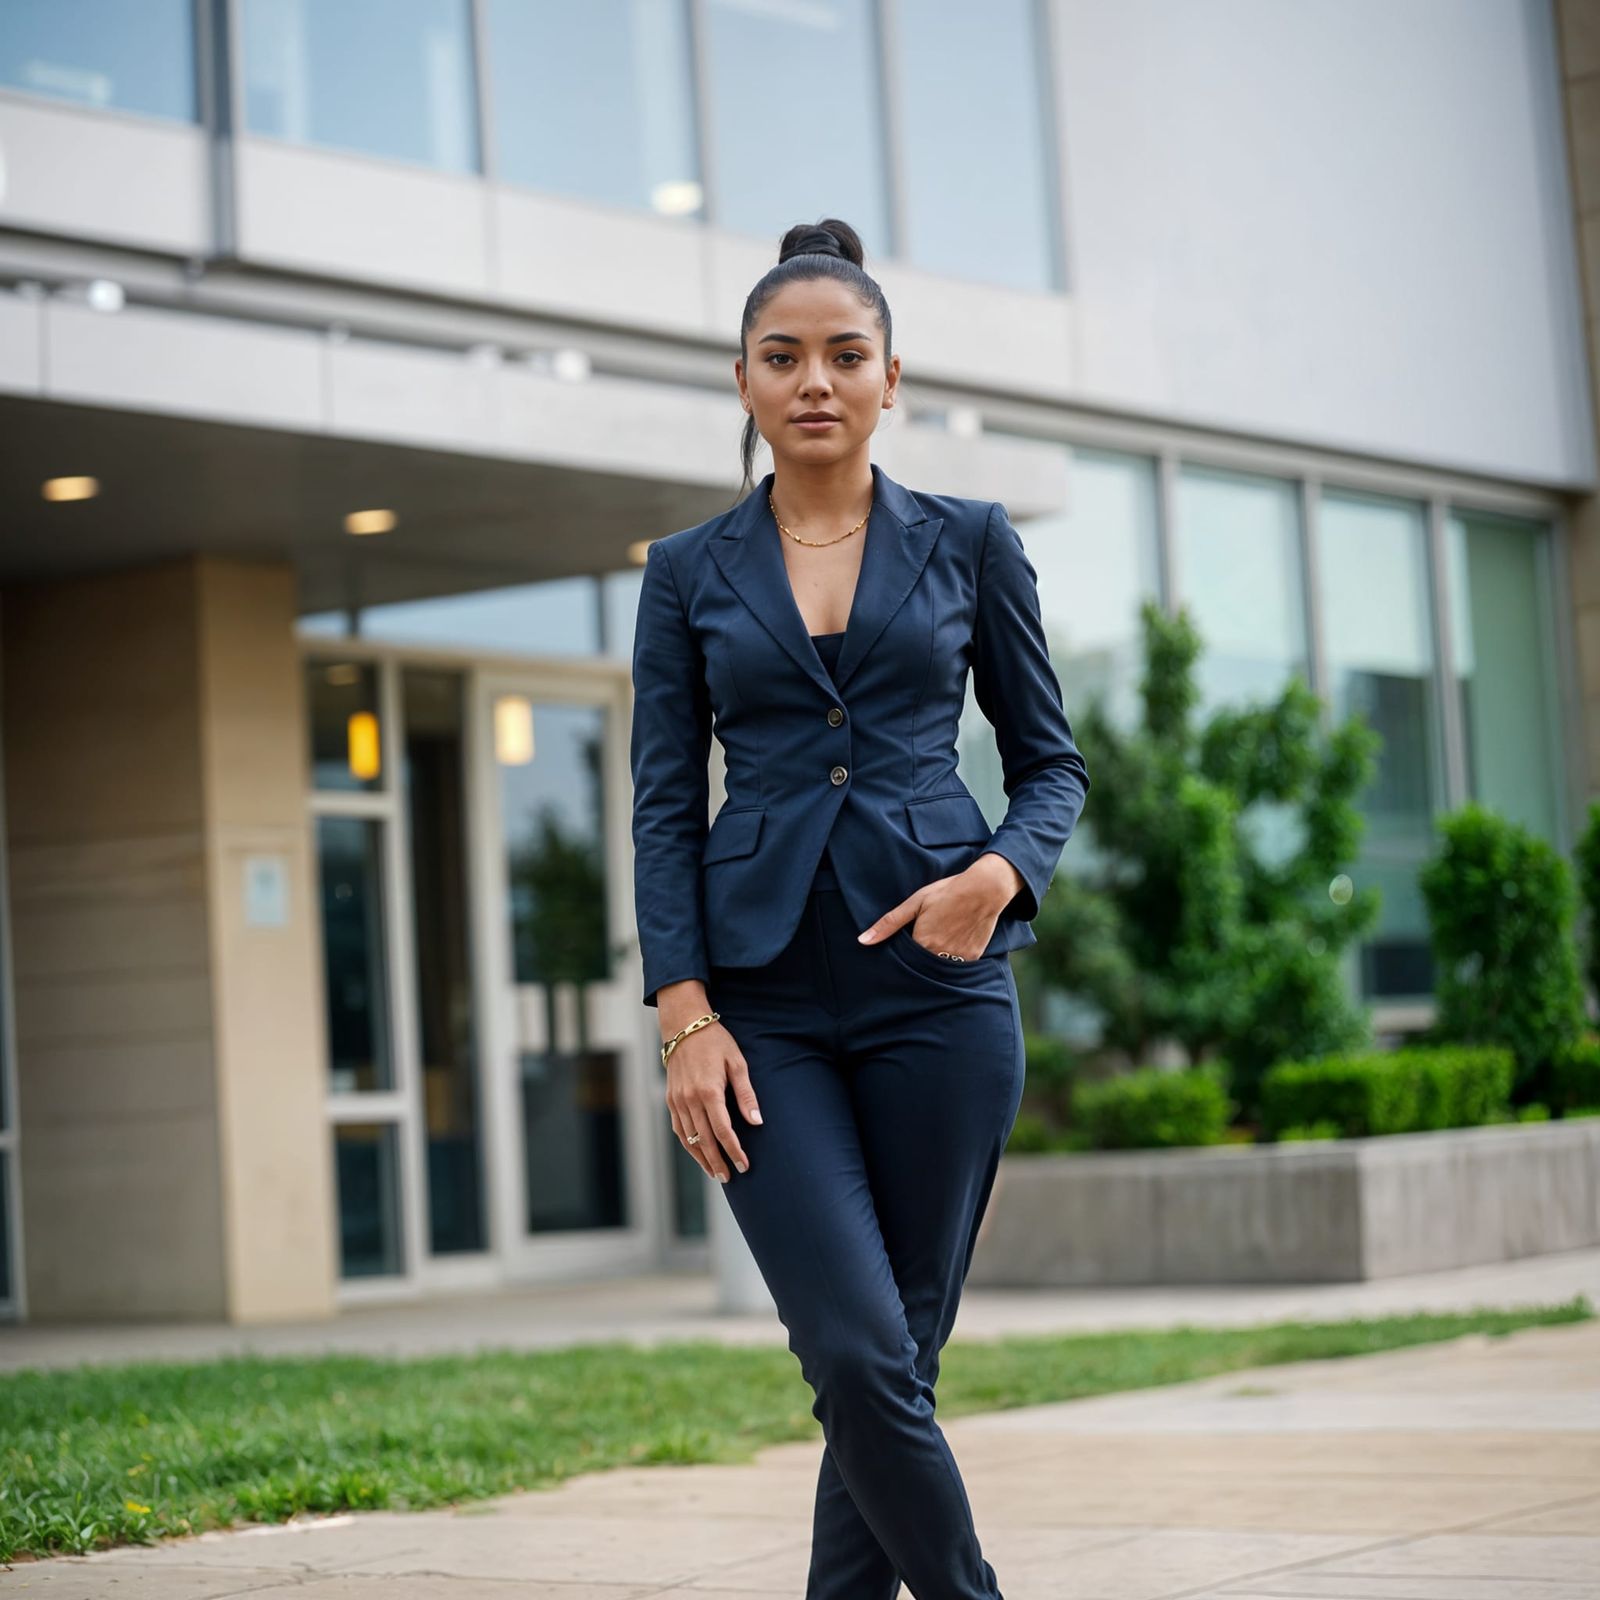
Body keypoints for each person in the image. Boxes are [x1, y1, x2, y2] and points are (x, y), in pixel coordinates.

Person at [629, 216, 1090, 1600]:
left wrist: (1000, 880)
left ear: (893, 376)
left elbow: (1051, 765)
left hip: (940, 998)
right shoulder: (686, 574)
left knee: (899, 1361)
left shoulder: (970, 543)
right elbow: (662, 808)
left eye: (845, 354)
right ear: (745, 382)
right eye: (785, 357)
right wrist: (684, 1016)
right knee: (851, 1348)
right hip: (762, 1007)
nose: (815, 379)